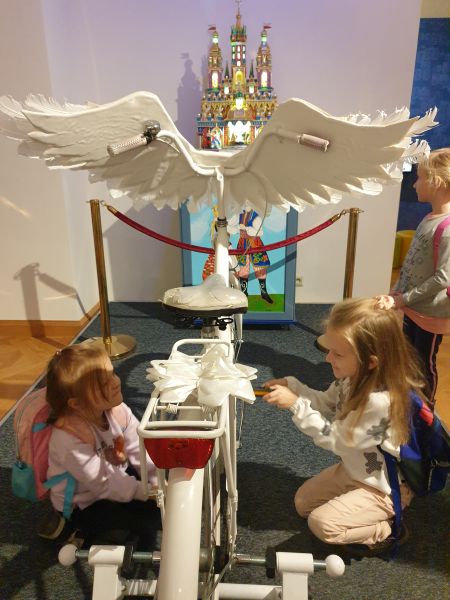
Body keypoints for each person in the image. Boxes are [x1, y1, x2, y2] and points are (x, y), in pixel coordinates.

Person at [263, 298, 425, 554]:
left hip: (382, 488)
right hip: (355, 470)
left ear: (371, 362)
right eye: (329, 350)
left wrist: (296, 404)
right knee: (303, 503)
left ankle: (386, 529)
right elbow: (326, 403)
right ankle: (356, 507)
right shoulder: (350, 379)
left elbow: (336, 440)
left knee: (322, 524)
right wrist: (294, 387)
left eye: (337, 353)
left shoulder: (380, 402)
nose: (328, 358)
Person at [43, 343, 159, 550]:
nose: (116, 382)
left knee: (156, 509)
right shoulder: (68, 439)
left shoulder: (117, 410)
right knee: (134, 528)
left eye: (112, 373)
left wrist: (156, 480)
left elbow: (138, 447)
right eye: (103, 384)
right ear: (77, 404)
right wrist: (146, 493)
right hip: (83, 501)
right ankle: (75, 530)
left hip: (113, 475)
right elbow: (103, 483)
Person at [378, 147, 450, 406]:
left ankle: (425, 412)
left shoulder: (447, 227)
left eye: (420, 177)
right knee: (408, 358)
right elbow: (412, 262)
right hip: (413, 307)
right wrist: (395, 294)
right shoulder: (429, 218)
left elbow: (443, 278)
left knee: (423, 364)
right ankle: (406, 403)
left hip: (430, 313)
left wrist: (402, 299)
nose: (415, 184)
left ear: (436, 182)